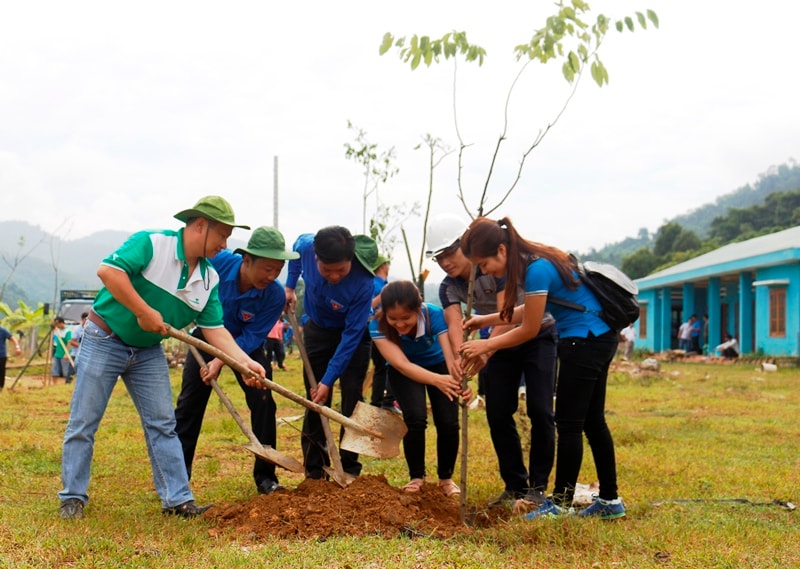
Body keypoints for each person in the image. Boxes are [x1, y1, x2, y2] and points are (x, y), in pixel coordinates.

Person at [58, 196, 267, 521]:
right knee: (84, 422)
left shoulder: (209, 279)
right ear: (200, 225)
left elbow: (215, 330)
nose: (225, 245)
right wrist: (143, 311)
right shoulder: (153, 244)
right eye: (222, 235)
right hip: (105, 337)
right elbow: (108, 272)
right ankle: (72, 497)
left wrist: (244, 362)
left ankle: (177, 500)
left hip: (146, 350)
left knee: (163, 424)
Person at [459, 216, 626, 520]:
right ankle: (610, 501)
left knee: (570, 424)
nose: (485, 271)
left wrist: (485, 345)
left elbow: (530, 328)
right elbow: (535, 308)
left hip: (583, 342)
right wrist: (486, 321)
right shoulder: (538, 261)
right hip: (600, 336)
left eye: (484, 264)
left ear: (501, 249)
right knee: (592, 421)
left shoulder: (536, 269)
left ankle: (560, 504)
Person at [427, 213, 557, 507]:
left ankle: (537, 488)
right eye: (439, 259)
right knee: (497, 411)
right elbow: (455, 324)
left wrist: (485, 351)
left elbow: (508, 316)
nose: (446, 263)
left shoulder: (494, 269)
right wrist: (464, 361)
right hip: (495, 345)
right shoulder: (449, 287)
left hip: (537, 336)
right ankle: (514, 485)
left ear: (466, 245)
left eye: (449, 253)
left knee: (540, 410)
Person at [174, 226, 298, 497]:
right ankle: (177, 480)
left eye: (278, 270)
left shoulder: (274, 294)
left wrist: (222, 361)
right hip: (206, 337)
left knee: (264, 400)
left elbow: (254, 336)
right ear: (247, 259)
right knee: (189, 405)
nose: (272, 276)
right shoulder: (217, 265)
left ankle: (266, 478)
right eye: (267, 268)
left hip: (245, 345)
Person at [285, 226, 377, 480]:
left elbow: (351, 336)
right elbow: (295, 249)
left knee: (352, 397)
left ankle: (349, 466)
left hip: (353, 337)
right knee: (314, 398)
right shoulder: (306, 246)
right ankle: (315, 469)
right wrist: (290, 286)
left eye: (341, 270)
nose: (334, 276)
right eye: (327, 270)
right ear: (315, 258)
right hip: (318, 329)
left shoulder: (364, 282)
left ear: (351, 260)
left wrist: (329, 379)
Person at [369, 280, 469, 496]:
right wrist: (436, 380)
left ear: (418, 309)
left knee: (448, 422)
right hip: (404, 370)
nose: (400, 324)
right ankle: (416, 477)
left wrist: (458, 381)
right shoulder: (376, 325)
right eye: (393, 318)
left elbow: (451, 356)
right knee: (415, 418)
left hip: (439, 363)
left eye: (406, 318)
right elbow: (401, 365)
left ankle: (446, 478)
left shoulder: (434, 314)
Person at [369, 254, 397, 411]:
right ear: (382, 266)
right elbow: (368, 307)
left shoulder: (385, 284)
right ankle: (381, 402)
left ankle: (385, 401)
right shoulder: (374, 284)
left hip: (388, 330)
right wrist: (383, 296)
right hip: (377, 331)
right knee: (383, 367)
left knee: (387, 366)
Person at [51, 317, 74, 384]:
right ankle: (54, 385)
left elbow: (69, 343)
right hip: (57, 354)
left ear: (61, 323)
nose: (57, 326)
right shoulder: (57, 330)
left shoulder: (68, 331)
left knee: (66, 372)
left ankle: (67, 384)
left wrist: (67, 353)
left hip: (64, 354)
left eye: (57, 324)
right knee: (54, 370)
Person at [0, 324, 22, 390]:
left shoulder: (2, 330)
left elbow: (12, 338)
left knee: (1, 372)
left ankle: (1, 387)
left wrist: (17, 347)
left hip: (1, 355)